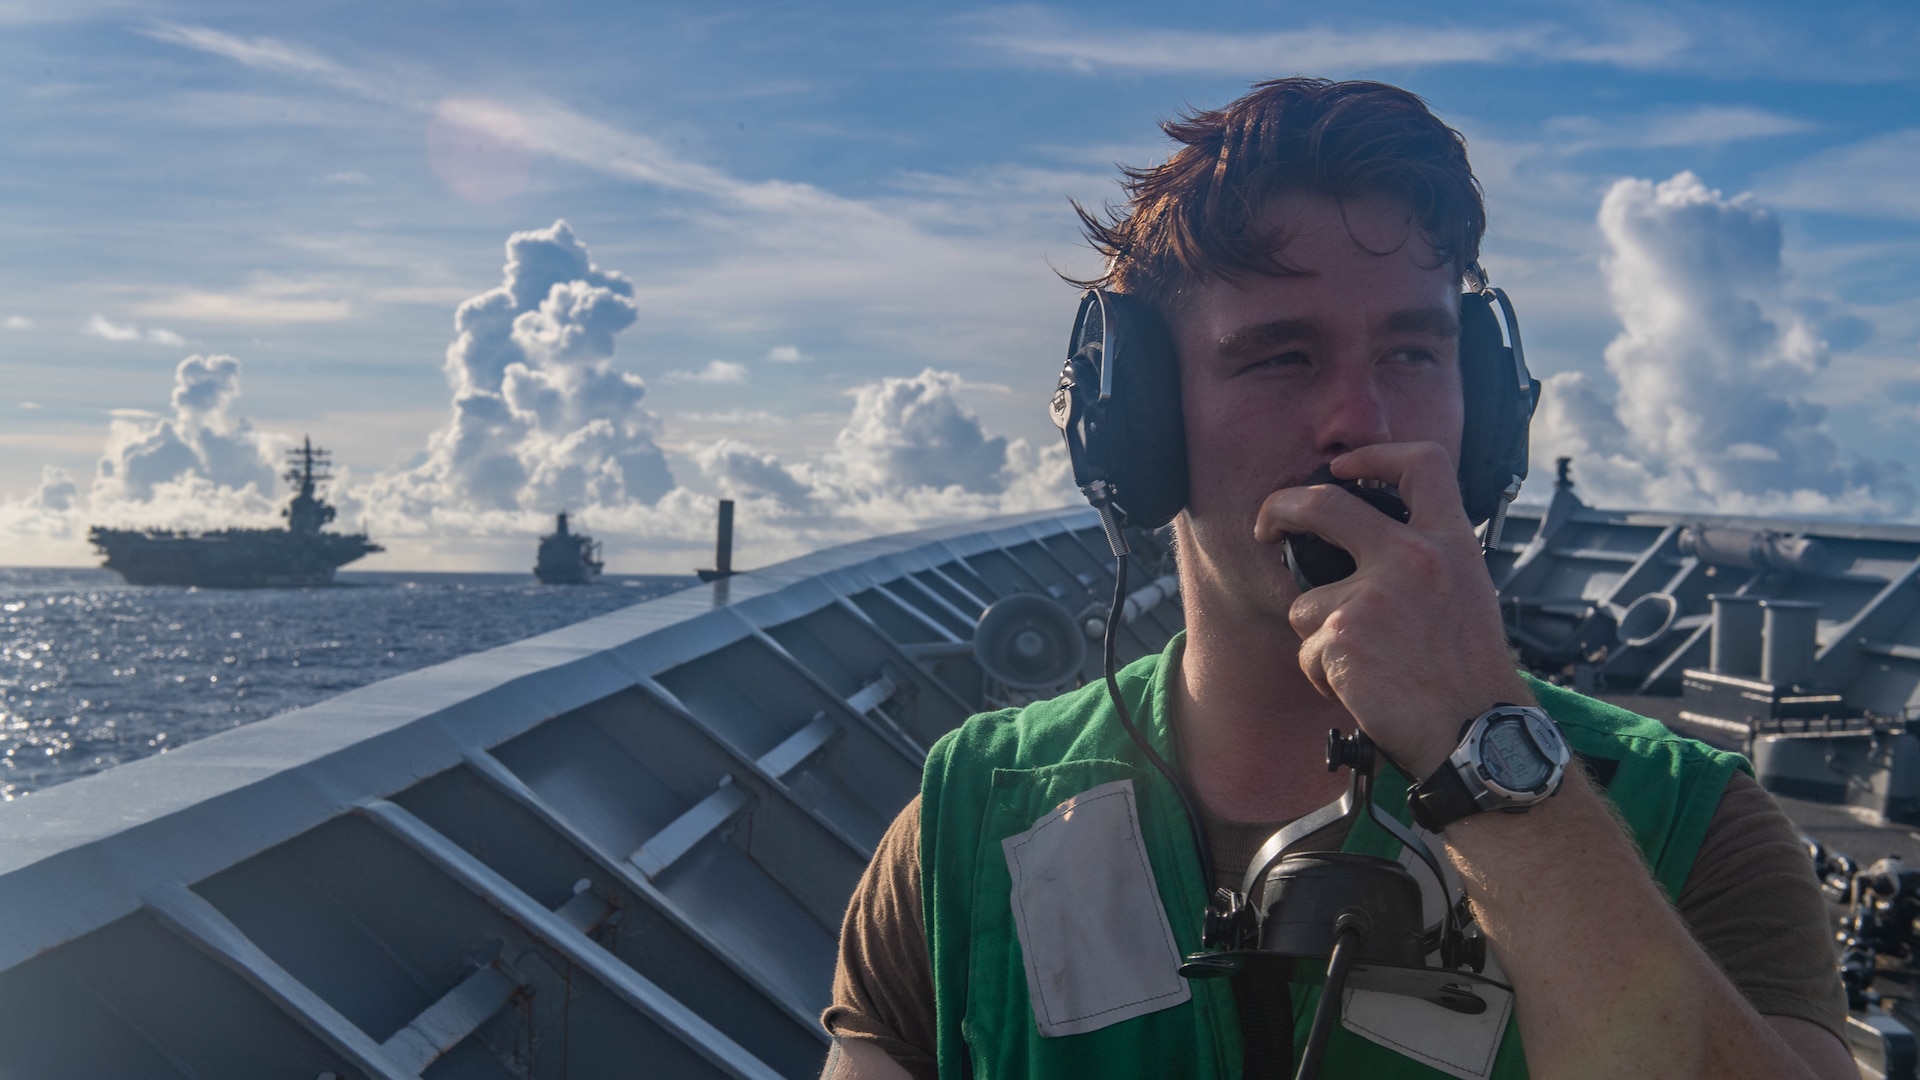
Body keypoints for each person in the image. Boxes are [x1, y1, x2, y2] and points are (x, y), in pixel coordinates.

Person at [821, 78, 1853, 1080]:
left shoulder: (1688, 827)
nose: (1360, 420)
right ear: (1137, 426)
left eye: (1413, 352)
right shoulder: (963, 832)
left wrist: (1489, 755)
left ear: (1482, 407)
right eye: (1280, 357)